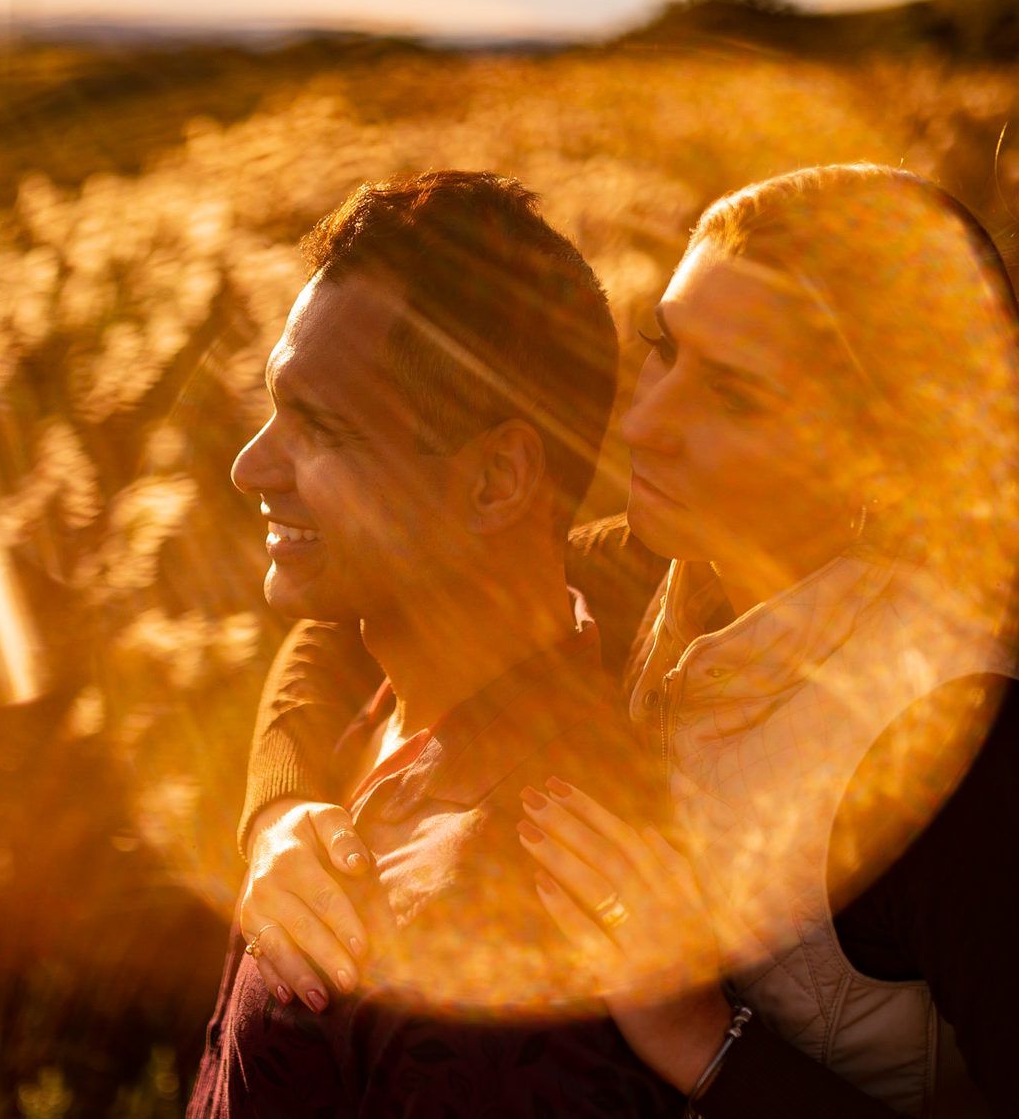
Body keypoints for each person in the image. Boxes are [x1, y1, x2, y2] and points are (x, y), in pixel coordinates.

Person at [234, 165, 1019, 1117]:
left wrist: (705, 1041)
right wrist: (280, 813)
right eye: (664, 347)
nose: (645, 422)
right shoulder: (666, 574)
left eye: (731, 395)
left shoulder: (957, 756)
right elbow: (372, 609)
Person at [187, 171, 680, 1118]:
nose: (251, 466)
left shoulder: (504, 930)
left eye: (319, 429)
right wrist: (277, 806)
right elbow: (319, 653)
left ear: (496, 480)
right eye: (272, 409)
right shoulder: (383, 684)